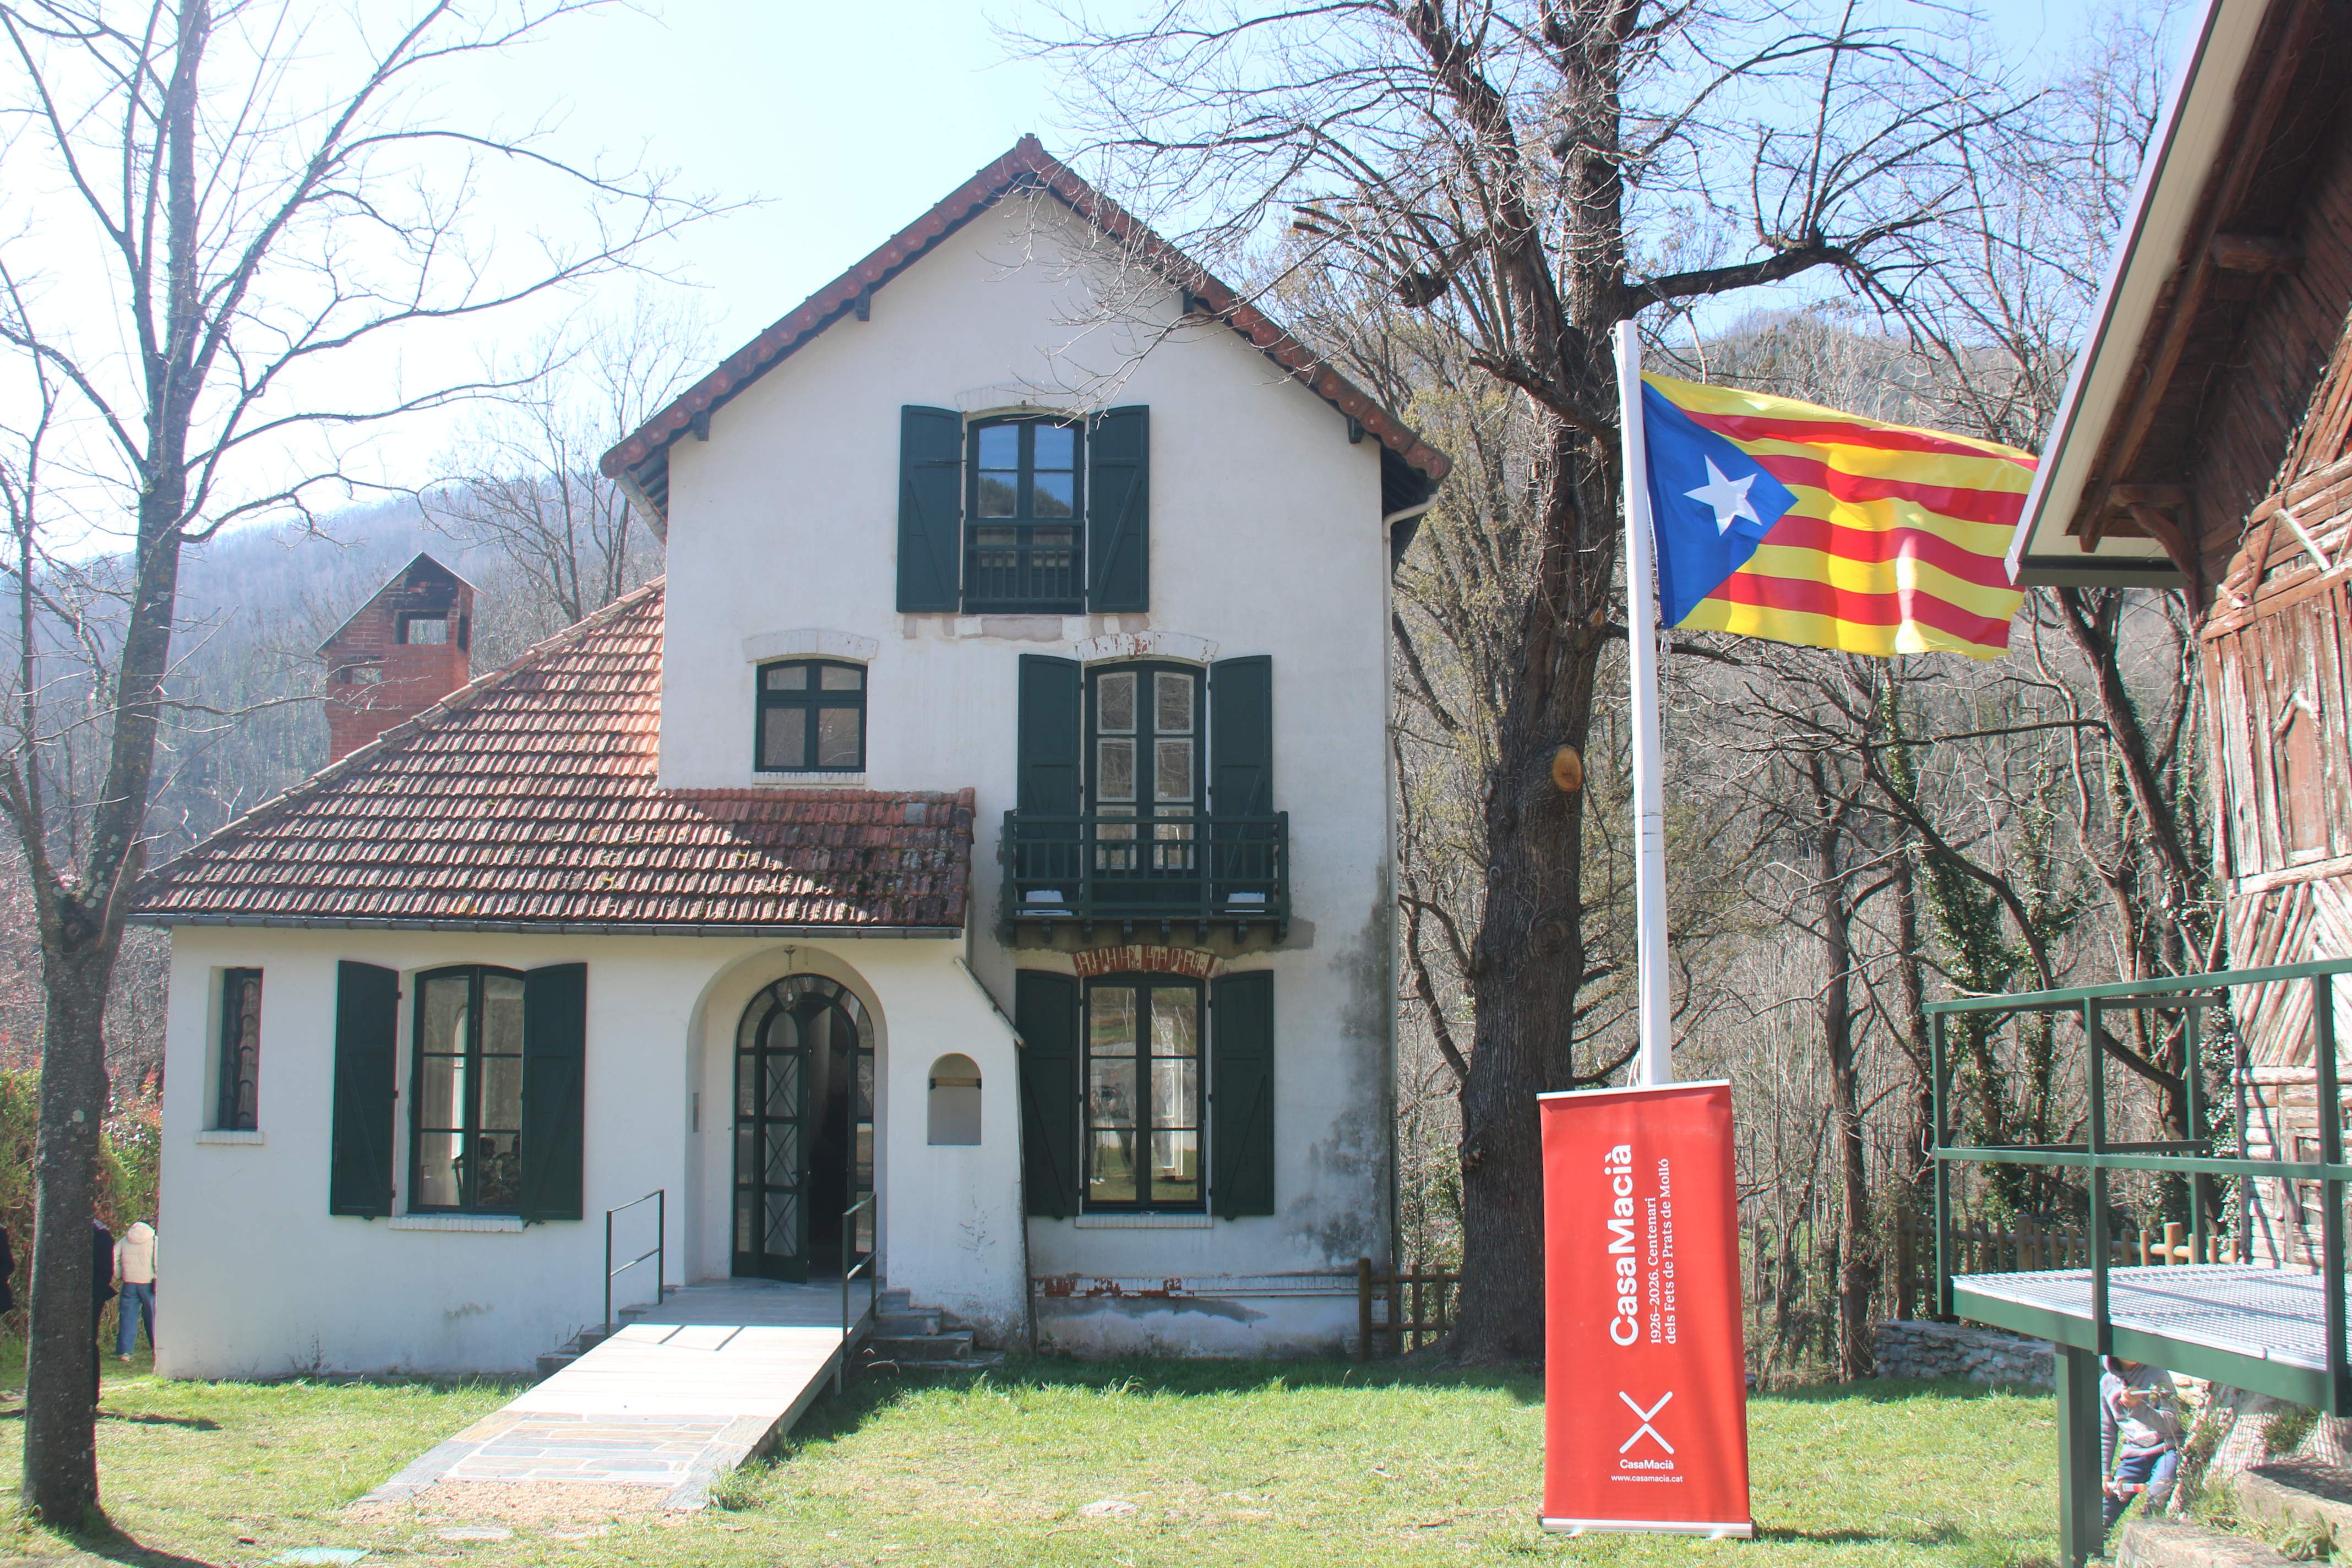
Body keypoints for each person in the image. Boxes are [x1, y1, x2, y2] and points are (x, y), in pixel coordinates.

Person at [2101, 1355, 2184, 1533]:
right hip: (2135, 1451)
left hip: (2165, 1448)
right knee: (2109, 1502)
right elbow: (2107, 1431)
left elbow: (2172, 1423)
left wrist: (2138, 1409)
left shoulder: (2158, 1375)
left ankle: (2149, 1535)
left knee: (2160, 1490)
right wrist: (2105, 1472)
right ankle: (2089, 1549)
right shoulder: (2107, 1384)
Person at [115, 1219, 156, 1361]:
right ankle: (157, 1348)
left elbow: (113, 1258)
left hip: (129, 1283)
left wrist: (119, 1274)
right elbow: (158, 1261)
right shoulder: (154, 1240)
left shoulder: (125, 1240)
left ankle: (125, 1352)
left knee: (128, 1316)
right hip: (148, 1284)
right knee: (153, 1317)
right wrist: (156, 1276)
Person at [89, 1218, 115, 1398]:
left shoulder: (100, 1233)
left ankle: (90, 1396)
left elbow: (105, 1272)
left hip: (90, 1298)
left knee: (88, 1343)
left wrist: (92, 1297)